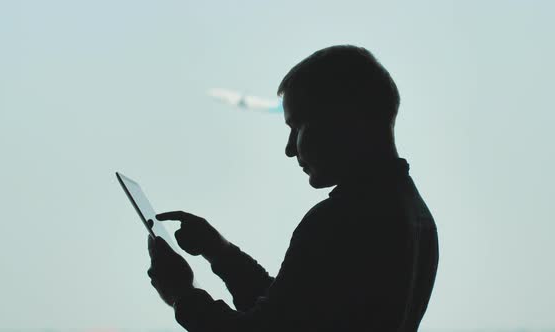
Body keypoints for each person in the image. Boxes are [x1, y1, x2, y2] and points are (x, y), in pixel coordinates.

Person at [146, 45, 439, 331]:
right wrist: (219, 253)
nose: (289, 149)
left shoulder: (338, 219)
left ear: (347, 119)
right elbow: (291, 315)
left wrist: (181, 294)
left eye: (298, 126)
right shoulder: (416, 216)